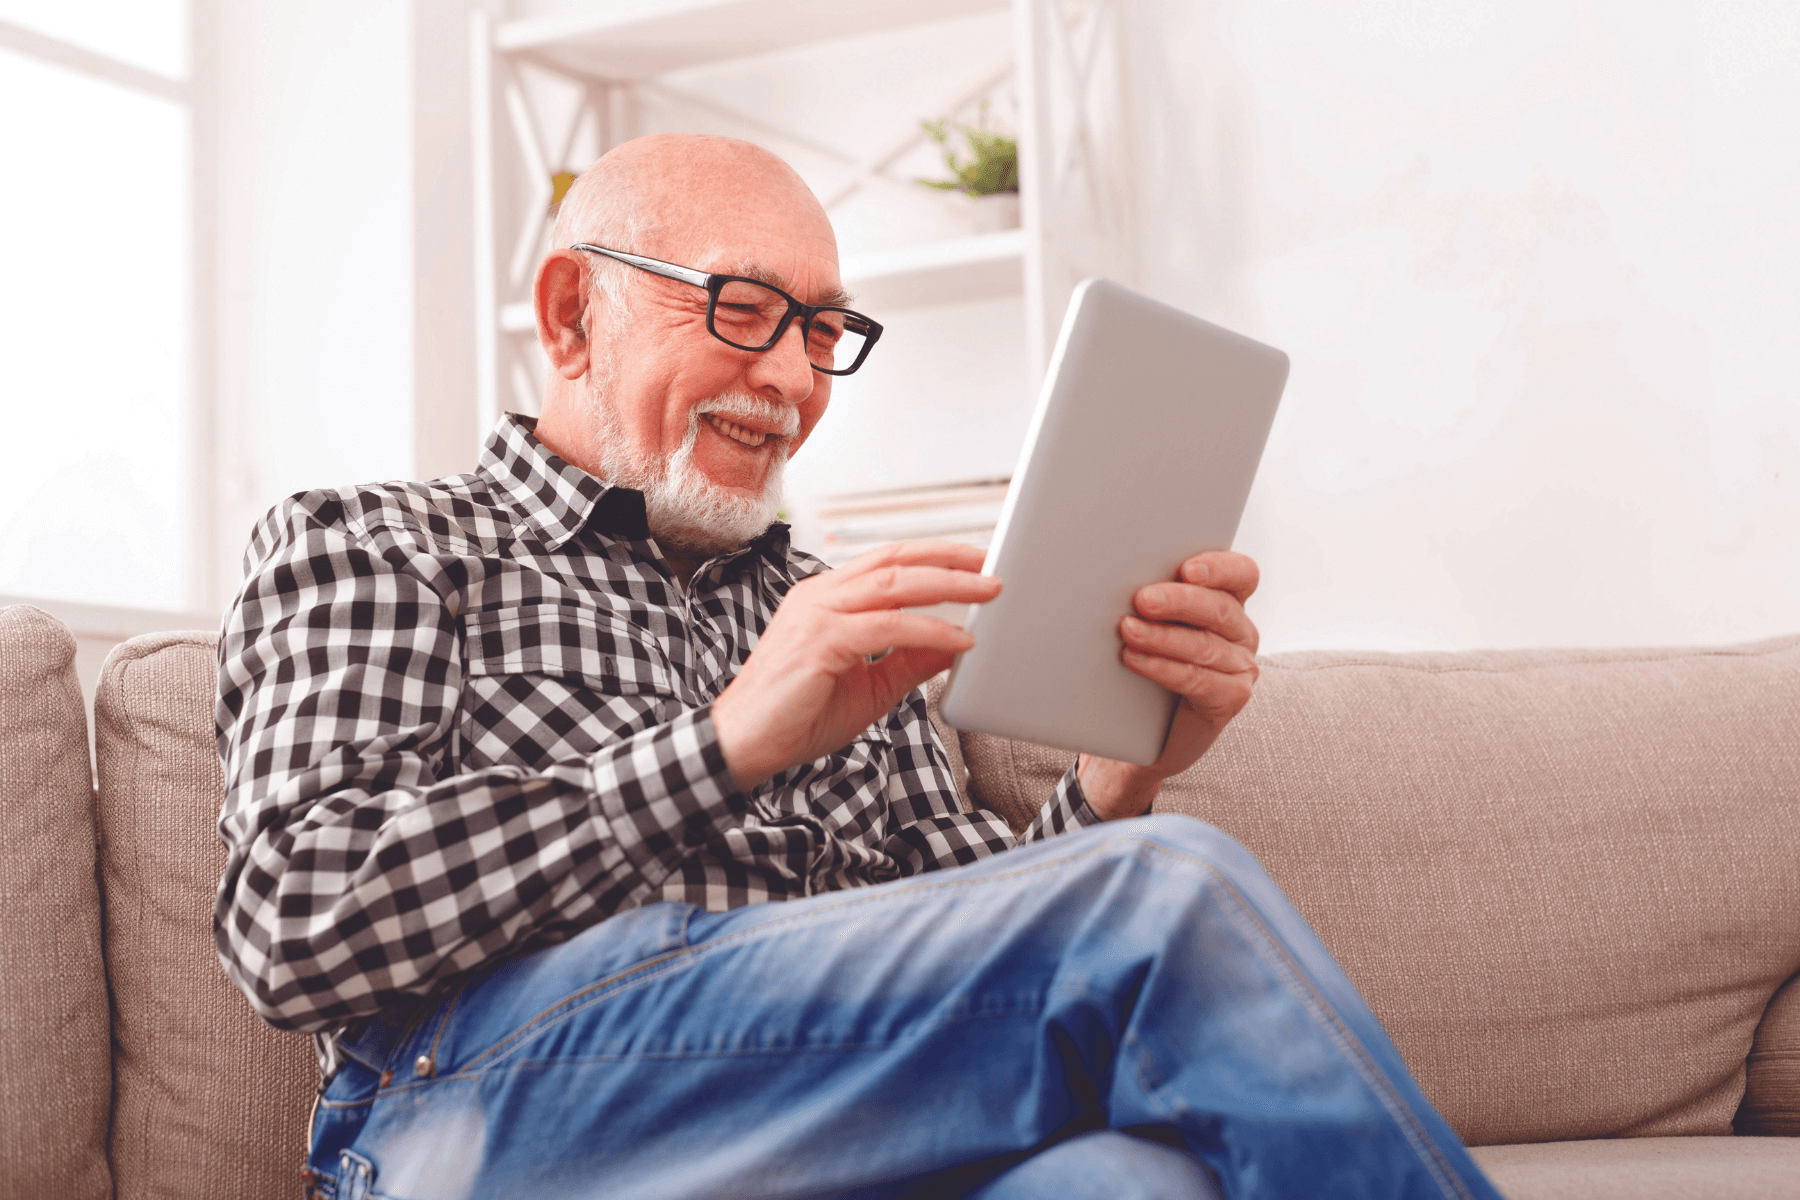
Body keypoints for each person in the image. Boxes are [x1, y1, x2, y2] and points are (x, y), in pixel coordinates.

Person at [215, 133, 1501, 1200]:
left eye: (823, 330)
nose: (789, 380)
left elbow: (967, 927)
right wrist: (720, 746)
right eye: (741, 308)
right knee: (1163, 891)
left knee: (1123, 1184)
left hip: (821, 1107)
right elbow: (292, 922)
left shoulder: (833, 609)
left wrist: (1114, 782)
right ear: (571, 316)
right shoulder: (377, 544)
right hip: (470, 1111)